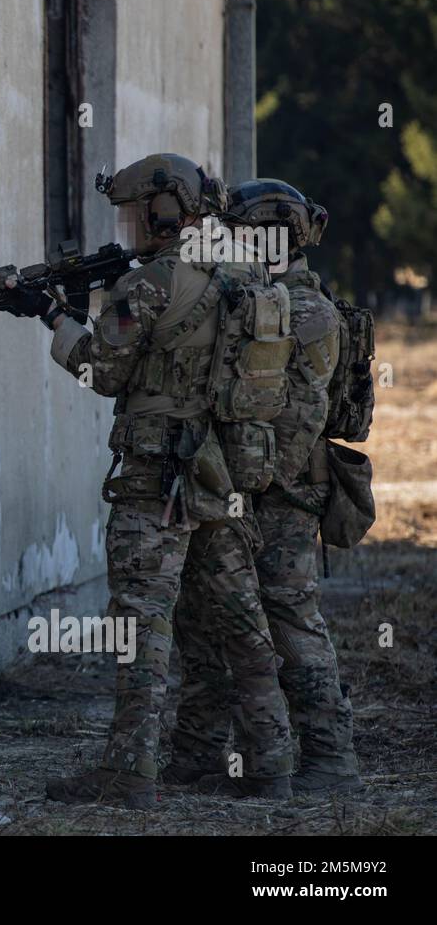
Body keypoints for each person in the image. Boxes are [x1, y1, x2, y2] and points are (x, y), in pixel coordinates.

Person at [2, 154, 296, 806]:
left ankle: (130, 770)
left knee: (142, 623)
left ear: (166, 209)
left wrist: (54, 318)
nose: (130, 225)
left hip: (157, 479)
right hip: (222, 471)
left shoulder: (152, 283)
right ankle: (271, 759)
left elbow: (98, 372)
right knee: (236, 618)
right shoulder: (245, 270)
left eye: (136, 211)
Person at [166, 180, 361, 794]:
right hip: (240, 485)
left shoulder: (307, 311)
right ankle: (202, 753)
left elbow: (302, 419)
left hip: (282, 494)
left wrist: (254, 482)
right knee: (208, 621)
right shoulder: (261, 299)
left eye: (240, 234)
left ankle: (330, 758)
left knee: (289, 620)